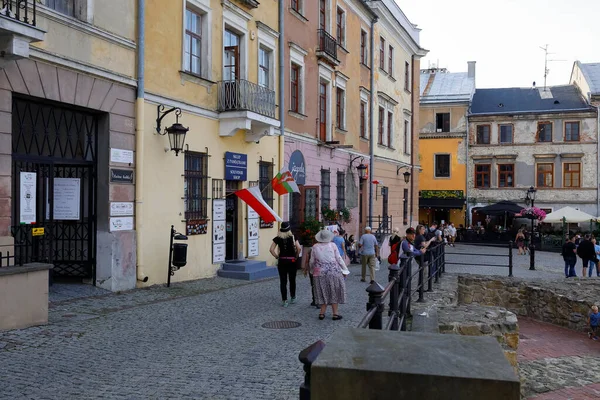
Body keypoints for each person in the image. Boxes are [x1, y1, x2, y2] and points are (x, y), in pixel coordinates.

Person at [309, 229, 348, 320]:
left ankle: (322, 313)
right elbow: (339, 258)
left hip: (319, 273)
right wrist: (345, 270)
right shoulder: (333, 245)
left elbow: (312, 261)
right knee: (334, 291)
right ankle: (335, 314)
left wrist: (311, 271)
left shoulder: (315, 247)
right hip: (333, 271)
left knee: (323, 291)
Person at [270, 222, 301, 307]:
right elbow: (299, 248)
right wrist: (296, 256)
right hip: (292, 261)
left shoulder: (277, 238)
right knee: (292, 280)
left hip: (282, 262)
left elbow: (271, 249)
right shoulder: (293, 237)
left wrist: (277, 256)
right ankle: (293, 297)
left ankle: (284, 300)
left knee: (283, 281)